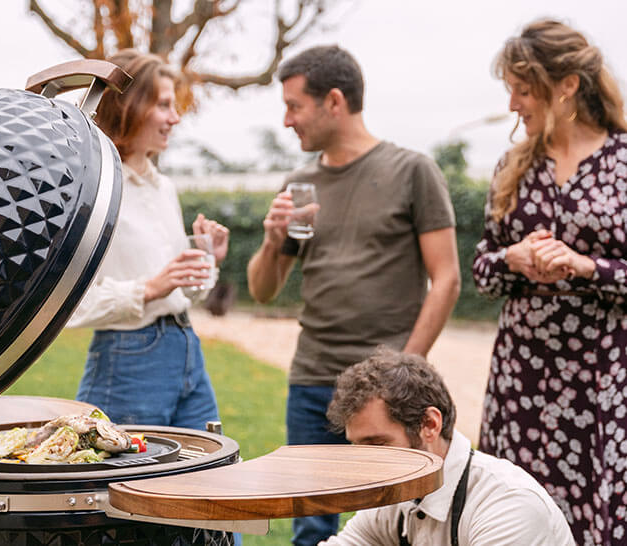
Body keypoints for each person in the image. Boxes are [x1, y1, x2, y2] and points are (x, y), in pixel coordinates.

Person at [246, 44, 461, 545]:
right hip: (312, 382)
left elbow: (447, 278)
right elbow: (262, 290)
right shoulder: (300, 185)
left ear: (334, 101)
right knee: (313, 528)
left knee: (406, 521)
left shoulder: (413, 171)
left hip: (390, 394)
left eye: (295, 106)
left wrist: (406, 368)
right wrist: (274, 236)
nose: (286, 120)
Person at [471, 19, 627, 545]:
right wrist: (511, 259)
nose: (513, 104)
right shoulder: (512, 166)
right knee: (513, 515)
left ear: (567, 86)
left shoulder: (623, 164)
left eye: (523, 89)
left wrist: (588, 268)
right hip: (522, 382)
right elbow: (481, 270)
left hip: (603, 382)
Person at [66, 49, 229, 431]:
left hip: (186, 346)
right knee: (127, 485)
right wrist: (149, 289)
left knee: (205, 475)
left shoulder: (164, 188)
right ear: (130, 107)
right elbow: (70, 307)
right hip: (128, 360)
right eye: (164, 105)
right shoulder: (94, 190)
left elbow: (185, 292)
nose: (175, 118)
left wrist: (207, 260)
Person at [320, 347, 575, 545]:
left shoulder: (508, 507)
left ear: (430, 424)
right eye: (357, 447)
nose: (364, 465)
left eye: (378, 444)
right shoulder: (397, 491)